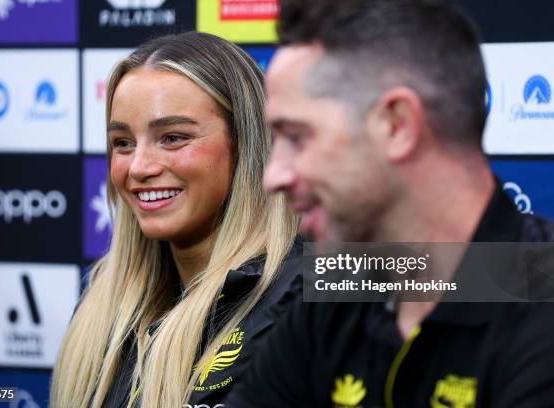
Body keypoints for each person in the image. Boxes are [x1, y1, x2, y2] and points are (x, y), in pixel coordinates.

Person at [225, 0, 554, 407]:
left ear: (397, 125)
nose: (273, 176)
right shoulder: (341, 288)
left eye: (297, 137)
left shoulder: (541, 300)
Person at [50, 31, 300, 408]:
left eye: (173, 137)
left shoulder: (320, 281)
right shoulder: (103, 302)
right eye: (123, 142)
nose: (139, 167)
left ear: (246, 143)